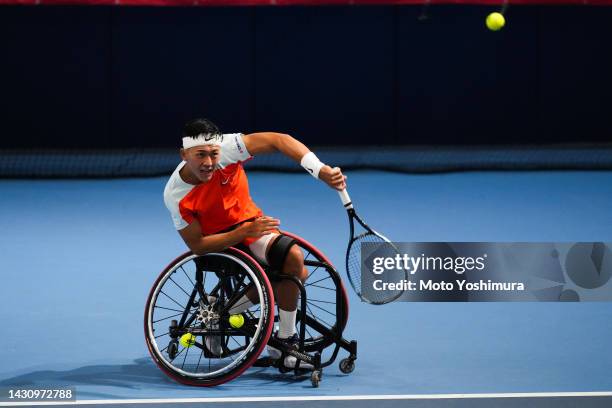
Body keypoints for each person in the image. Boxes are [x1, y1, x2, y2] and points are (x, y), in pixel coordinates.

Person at [163, 118, 346, 369]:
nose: (208, 163)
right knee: (291, 277)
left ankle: (284, 344)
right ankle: (225, 313)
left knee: (294, 262)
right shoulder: (175, 194)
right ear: (184, 154)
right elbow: (199, 246)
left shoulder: (227, 148)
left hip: (250, 227)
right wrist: (243, 232)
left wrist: (320, 170)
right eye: (200, 155)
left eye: (213, 155)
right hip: (220, 245)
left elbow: (278, 140)